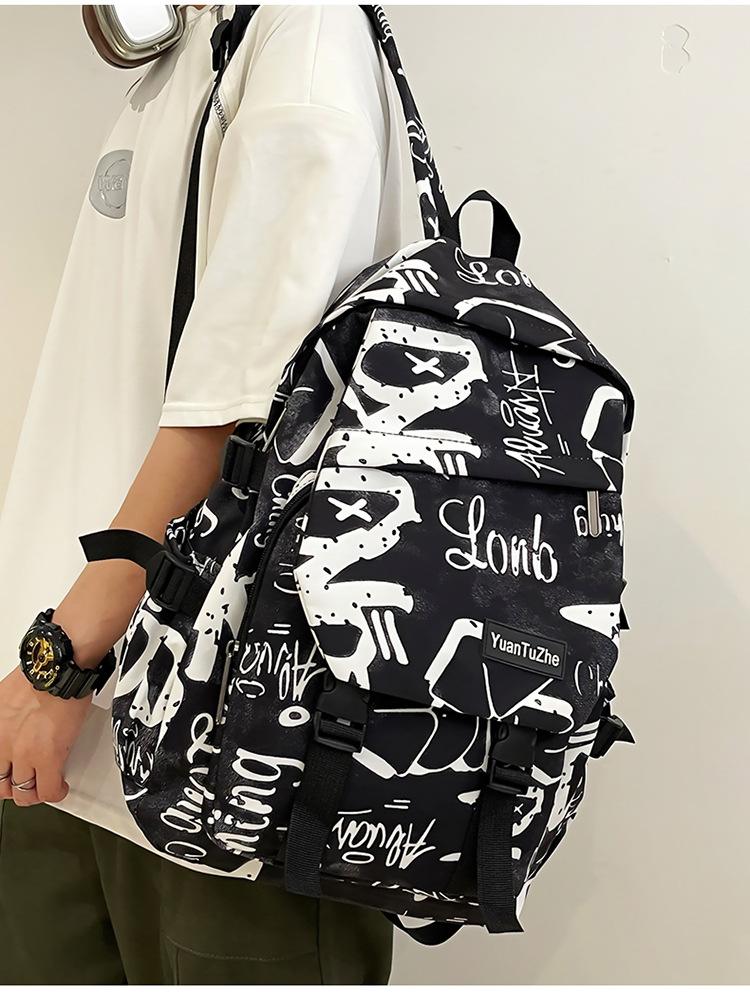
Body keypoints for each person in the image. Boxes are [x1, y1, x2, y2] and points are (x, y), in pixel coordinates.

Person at [0, 3, 404, 985]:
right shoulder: (179, 49)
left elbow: (242, 409)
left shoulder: (304, 38)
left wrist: (61, 662)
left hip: (220, 766)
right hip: (63, 741)